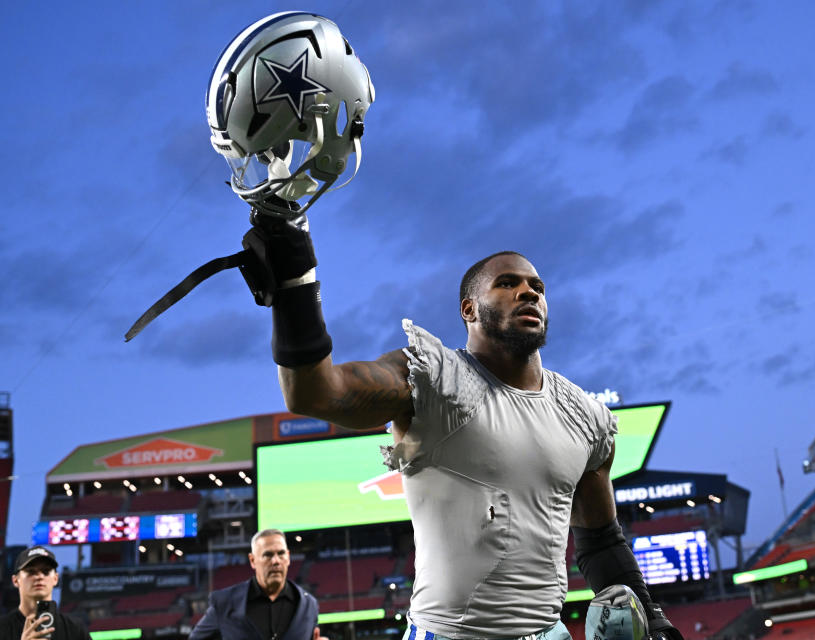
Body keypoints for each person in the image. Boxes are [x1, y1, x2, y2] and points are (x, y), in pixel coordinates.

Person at [244, 226, 682, 640]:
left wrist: (650, 612)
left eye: (537, 287)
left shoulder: (585, 414)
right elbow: (315, 394)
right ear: (468, 309)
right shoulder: (433, 379)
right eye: (507, 283)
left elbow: (600, 540)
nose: (529, 291)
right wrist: (295, 285)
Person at [189, 529, 319, 640]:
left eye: (281, 554)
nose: (276, 561)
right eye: (268, 555)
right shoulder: (225, 603)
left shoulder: (309, 605)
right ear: (252, 560)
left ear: (288, 557)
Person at [0, 546, 91, 640]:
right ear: (15, 580)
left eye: (46, 571)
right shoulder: (2, 628)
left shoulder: (75, 629)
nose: (39, 576)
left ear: (55, 579)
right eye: (31, 572)